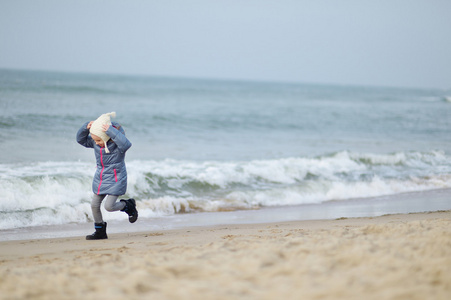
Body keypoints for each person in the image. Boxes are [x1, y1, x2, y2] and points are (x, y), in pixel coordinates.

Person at [76, 112, 138, 240]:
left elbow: (126, 144)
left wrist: (111, 131)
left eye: (99, 140)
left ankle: (128, 205)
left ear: (106, 136)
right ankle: (100, 231)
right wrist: (85, 128)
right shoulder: (95, 143)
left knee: (109, 207)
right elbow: (80, 140)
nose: (96, 143)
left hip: (116, 178)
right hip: (101, 177)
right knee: (94, 205)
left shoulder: (117, 145)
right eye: (94, 140)